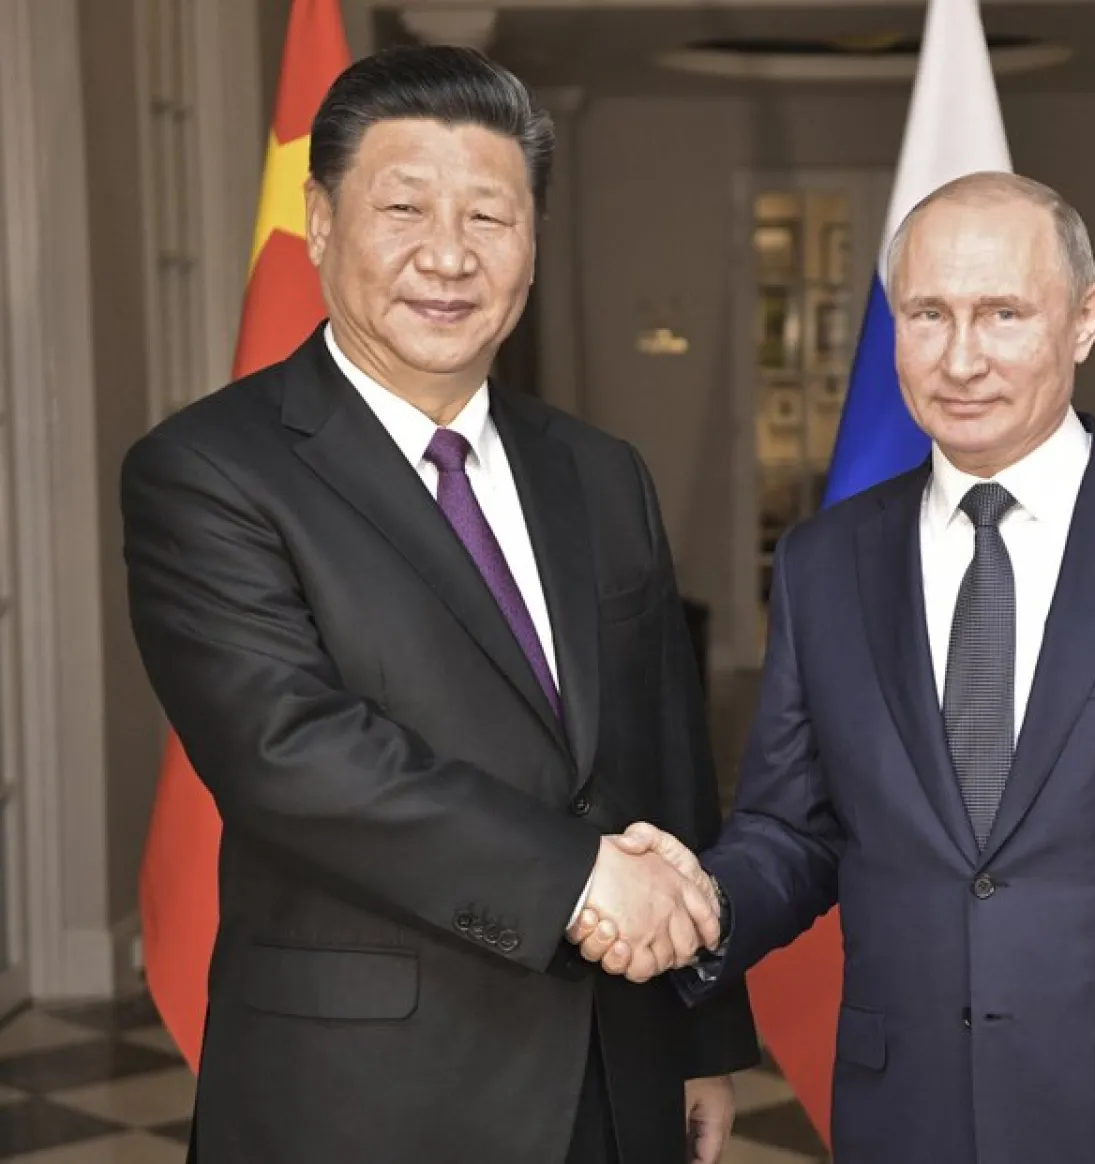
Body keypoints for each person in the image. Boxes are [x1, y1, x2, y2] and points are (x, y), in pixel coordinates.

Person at [573, 171, 1095, 1163]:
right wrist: (698, 900)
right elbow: (795, 828)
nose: (961, 359)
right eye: (927, 314)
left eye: (1003, 313)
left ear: (1084, 321)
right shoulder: (826, 562)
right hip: (907, 1121)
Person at [121, 45, 755, 1164]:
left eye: (489, 217)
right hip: (362, 1094)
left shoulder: (601, 473)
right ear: (319, 222)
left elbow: (662, 758)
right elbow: (293, 753)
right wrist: (578, 878)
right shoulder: (210, 471)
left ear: (534, 243)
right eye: (404, 207)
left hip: (616, 1070)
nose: (448, 257)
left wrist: (701, 1032)